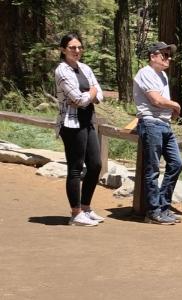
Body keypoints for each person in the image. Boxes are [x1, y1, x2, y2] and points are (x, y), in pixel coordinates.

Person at [55, 33, 105, 226]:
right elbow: (78, 99)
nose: (76, 51)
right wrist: (89, 94)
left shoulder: (85, 68)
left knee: (95, 165)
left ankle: (86, 207)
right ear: (63, 50)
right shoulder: (62, 71)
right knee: (75, 168)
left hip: (88, 120)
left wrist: (90, 94)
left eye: (79, 47)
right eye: (72, 48)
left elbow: (99, 94)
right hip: (70, 123)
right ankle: (75, 213)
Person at [133, 41, 182, 225]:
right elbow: (156, 100)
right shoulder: (145, 73)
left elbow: (162, 101)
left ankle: (163, 206)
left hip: (165, 125)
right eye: (164, 54)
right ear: (153, 56)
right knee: (153, 168)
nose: (168, 58)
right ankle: (153, 211)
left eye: (169, 55)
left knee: (176, 164)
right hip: (151, 123)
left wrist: (171, 110)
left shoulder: (162, 76)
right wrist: (175, 105)